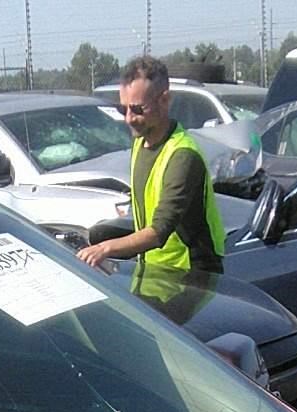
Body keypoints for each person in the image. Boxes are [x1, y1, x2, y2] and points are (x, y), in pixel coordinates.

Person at [76, 56, 225, 277]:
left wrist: (105, 248)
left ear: (165, 100)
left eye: (137, 109)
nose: (128, 119)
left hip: (190, 277)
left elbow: (158, 232)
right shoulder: (140, 143)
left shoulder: (182, 155)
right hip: (154, 273)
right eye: (122, 109)